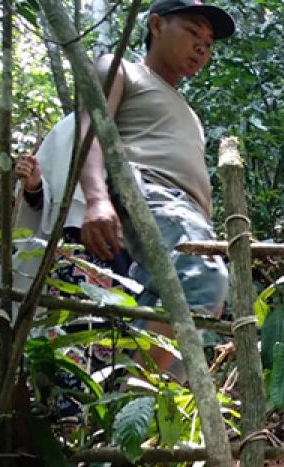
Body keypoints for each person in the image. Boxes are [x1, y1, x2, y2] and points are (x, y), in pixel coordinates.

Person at [77, 0, 236, 373]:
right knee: (203, 281)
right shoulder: (123, 70)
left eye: (209, 42)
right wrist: (97, 198)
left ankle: (140, 420)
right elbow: (89, 130)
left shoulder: (189, 111)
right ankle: (135, 403)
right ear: (156, 26)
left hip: (186, 214)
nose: (202, 46)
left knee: (176, 313)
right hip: (150, 192)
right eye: (193, 32)